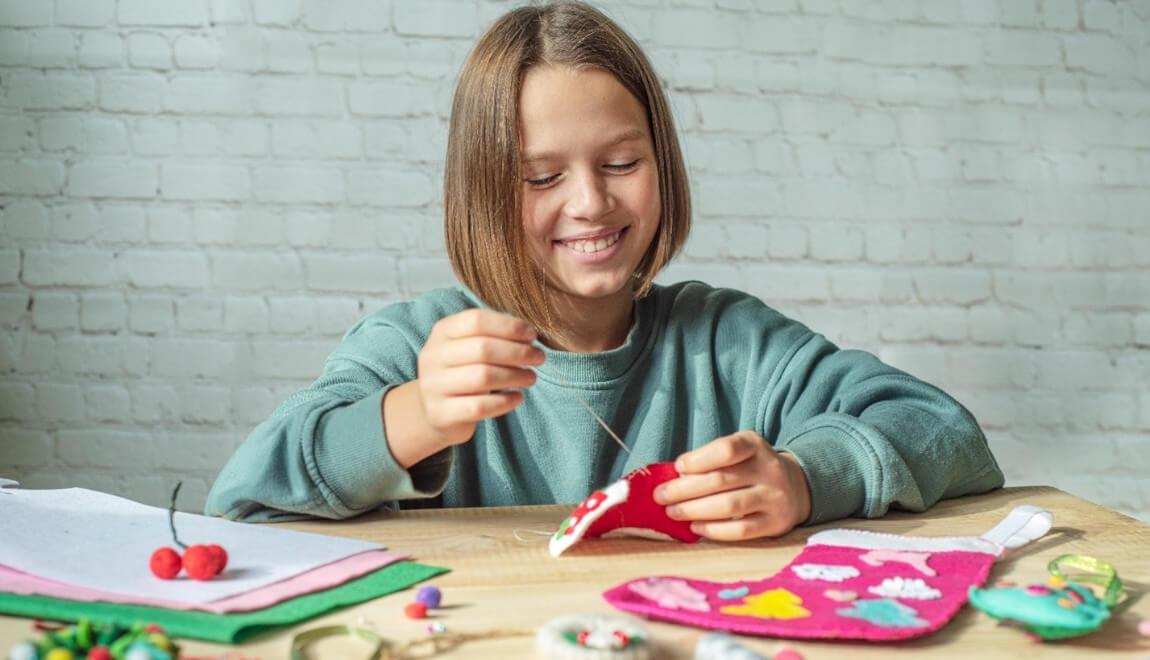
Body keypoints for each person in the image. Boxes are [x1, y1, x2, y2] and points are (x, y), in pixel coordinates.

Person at [205, 1, 1004, 540]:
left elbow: (949, 436)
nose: (590, 202)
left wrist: (803, 478)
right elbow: (241, 502)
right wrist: (413, 416)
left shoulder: (729, 343)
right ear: (482, 192)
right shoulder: (416, 343)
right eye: (542, 177)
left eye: (621, 161)